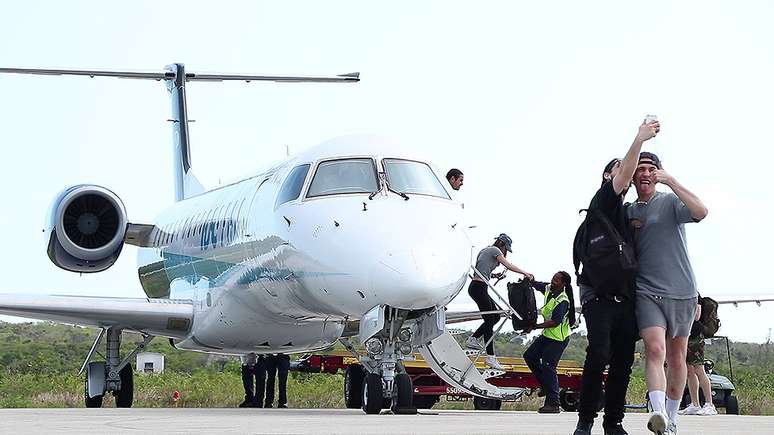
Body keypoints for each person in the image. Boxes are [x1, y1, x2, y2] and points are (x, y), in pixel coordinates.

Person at [573, 120, 659, 435]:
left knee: (623, 362)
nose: (628, 172)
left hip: (626, 299)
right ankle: (585, 422)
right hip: (597, 297)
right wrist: (639, 138)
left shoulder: (628, 213)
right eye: (620, 169)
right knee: (598, 354)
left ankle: (613, 423)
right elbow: (624, 175)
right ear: (609, 176)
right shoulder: (603, 202)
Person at [628, 151, 708, 435]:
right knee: (654, 348)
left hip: (682, 290)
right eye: (640, 169)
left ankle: (671, 419)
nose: (645, 173)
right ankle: (658, 411)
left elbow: (701, 212)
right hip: (647, 290)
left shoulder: (671, 202)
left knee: (677, 356)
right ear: (634, 176)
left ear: (658, 173)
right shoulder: (628, 211)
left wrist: (671, 180)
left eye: (651, 169)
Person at [466, 233, 533, 370]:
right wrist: (525, 273)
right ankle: (490, 357)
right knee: (490, 320)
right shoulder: (495, 250)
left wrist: (494, 275)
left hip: (478, 286)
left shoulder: (485, 250)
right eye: (506, 249)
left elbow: (481, 270)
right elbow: (508, 265)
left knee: (495, 316)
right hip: (479, 287)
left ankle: (473, 338)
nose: (505, 252)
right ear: (501, 244)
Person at [522, 271, 576, 413]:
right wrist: (531, 279)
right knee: (529, 356)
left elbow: (555, 322)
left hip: (558, 339)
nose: (553, 281)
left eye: (557, 280)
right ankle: (546, 385)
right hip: (547, 336)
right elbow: (537, 285)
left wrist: (535, 326)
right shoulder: (548, 289)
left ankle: (553, 404)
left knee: (549, 367)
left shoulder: (563, 300)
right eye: (553, 278)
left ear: (563, 284)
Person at [679, 300, 718, 416]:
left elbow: (697, 315)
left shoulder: (695, 295)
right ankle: (694, 404)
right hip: (686, 335)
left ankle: (709, 404)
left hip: (695, 336)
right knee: (690, 372)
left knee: (699, 369)